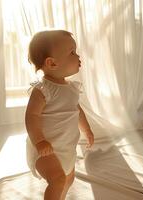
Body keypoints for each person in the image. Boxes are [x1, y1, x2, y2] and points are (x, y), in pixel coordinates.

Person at [25, 30, 94, 200]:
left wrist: (87, 130)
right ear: (52, 63)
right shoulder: (42, 90)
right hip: (45, 150)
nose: (78, 56)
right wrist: (39, 141)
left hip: (67, 149)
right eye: (72, 52)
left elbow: (77, 111)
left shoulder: (71, 88)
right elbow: (31, 117)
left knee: (68, 180)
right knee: (57, 180)